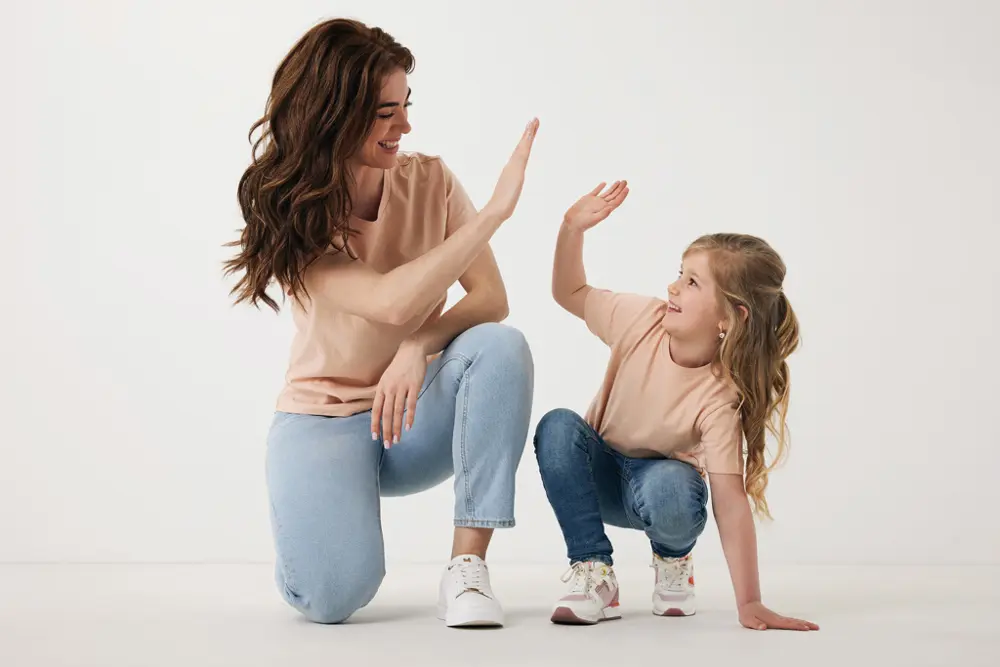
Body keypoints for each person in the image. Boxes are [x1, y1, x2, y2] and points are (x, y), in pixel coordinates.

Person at [224, 18, 539, 628]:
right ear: (333, 116)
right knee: (331, 599)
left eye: (406, 106)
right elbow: (390, 301)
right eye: (385, 113)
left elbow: (491, 297)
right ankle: (314, 521)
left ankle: (467, 569)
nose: (405, 126)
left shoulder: (430, 181)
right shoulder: (292, 213)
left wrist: (418, 346)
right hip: (324, 418)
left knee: (501, 348)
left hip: (411, 411)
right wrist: (494, 214)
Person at [533, 181, 820, 631]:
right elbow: (569, 292)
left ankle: (672, 559)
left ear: (730, 317)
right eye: (679, 274)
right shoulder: (640, 318)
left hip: (664, 496)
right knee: (557, 427)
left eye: (691, 282)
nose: (673, 287)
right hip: (598, 478)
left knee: (671, 480)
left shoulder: (720, 398)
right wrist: (572, 229)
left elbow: (730, 501)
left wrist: (750, 602)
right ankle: (593, 569)